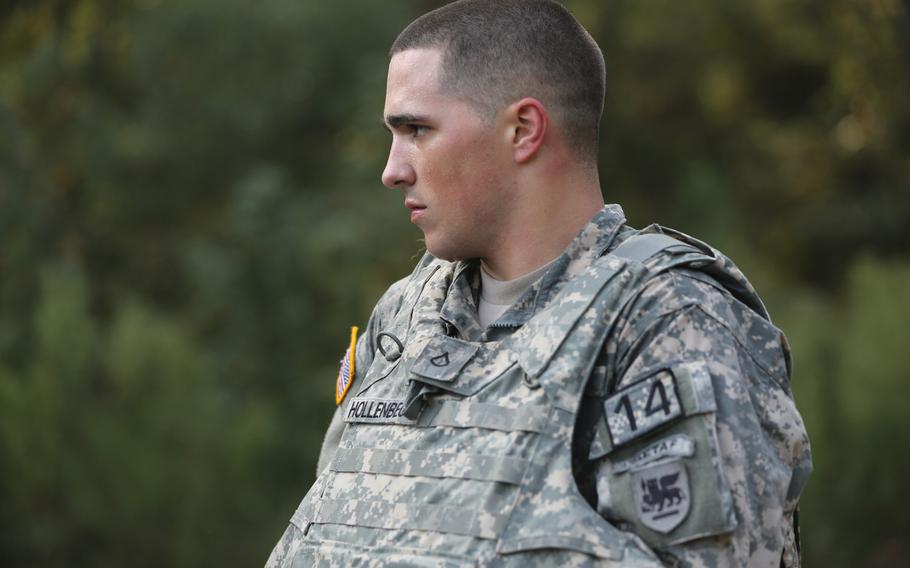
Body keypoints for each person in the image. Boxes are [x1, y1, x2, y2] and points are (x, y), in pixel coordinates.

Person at [266, 0, 812, 566]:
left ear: (523, 130)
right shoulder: (405, 315)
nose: (392, 169)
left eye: (416, 130)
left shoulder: (670, 320)